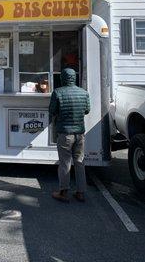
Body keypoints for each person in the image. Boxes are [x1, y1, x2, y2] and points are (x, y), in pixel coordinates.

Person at [49, 68, 90, 203]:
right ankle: (81, 193)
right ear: (74, 78)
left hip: (65, 134)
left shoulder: (57, 92)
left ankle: (63, 192)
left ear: (62, 78)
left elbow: (52, 110)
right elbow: (87, 110)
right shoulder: (84, 93)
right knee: (79, 162)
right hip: (80, 134)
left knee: (65, 162)